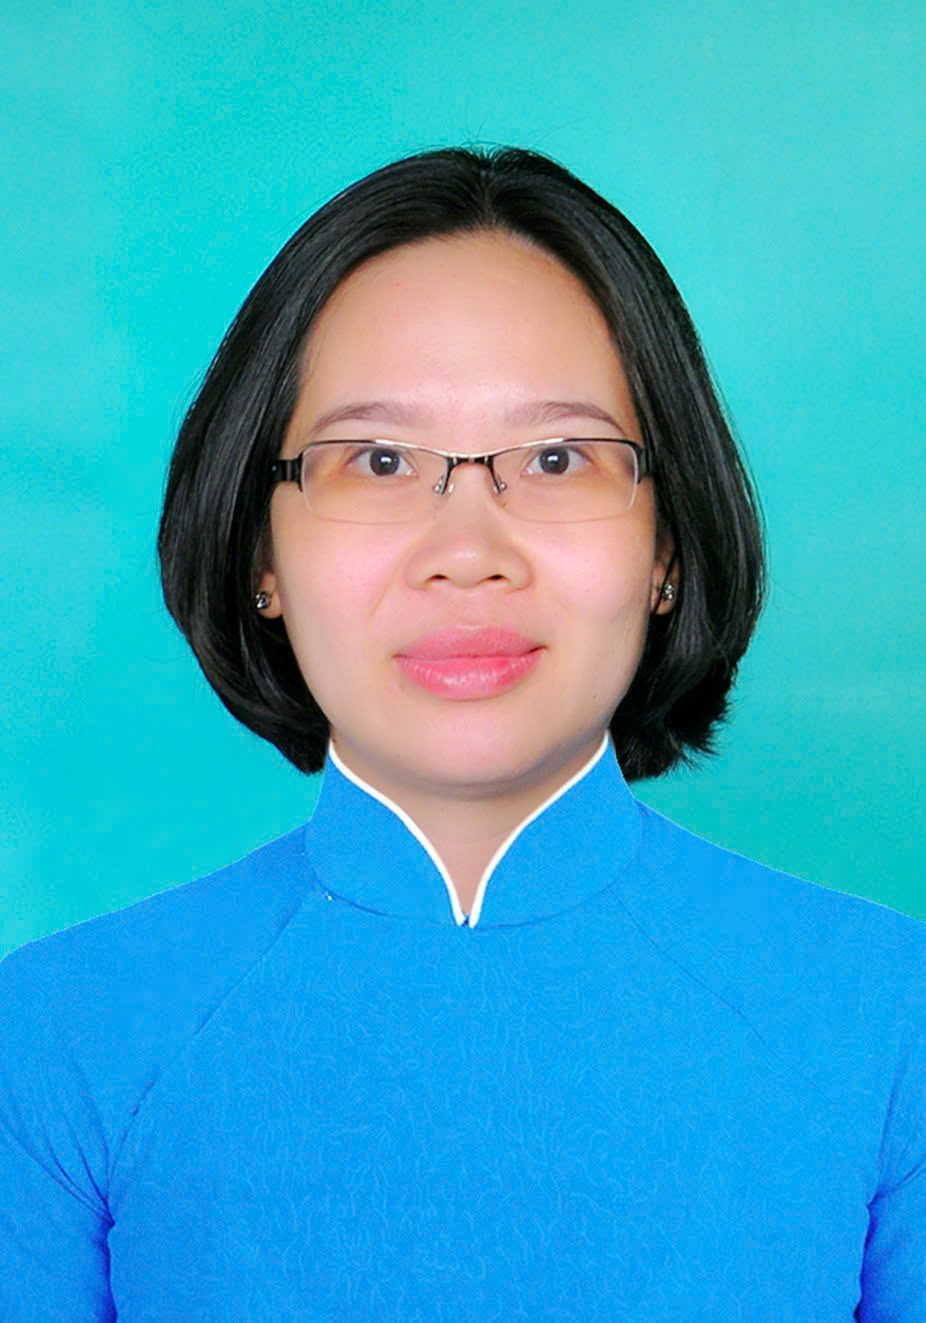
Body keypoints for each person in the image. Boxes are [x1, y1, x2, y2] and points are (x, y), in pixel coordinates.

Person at [0, 145, 922, 1321]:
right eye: (378, 460)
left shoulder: (888, 1017)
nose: (468, 552)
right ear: (261, 555)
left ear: (665, 548)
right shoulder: (59, 1032)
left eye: (557, 458)